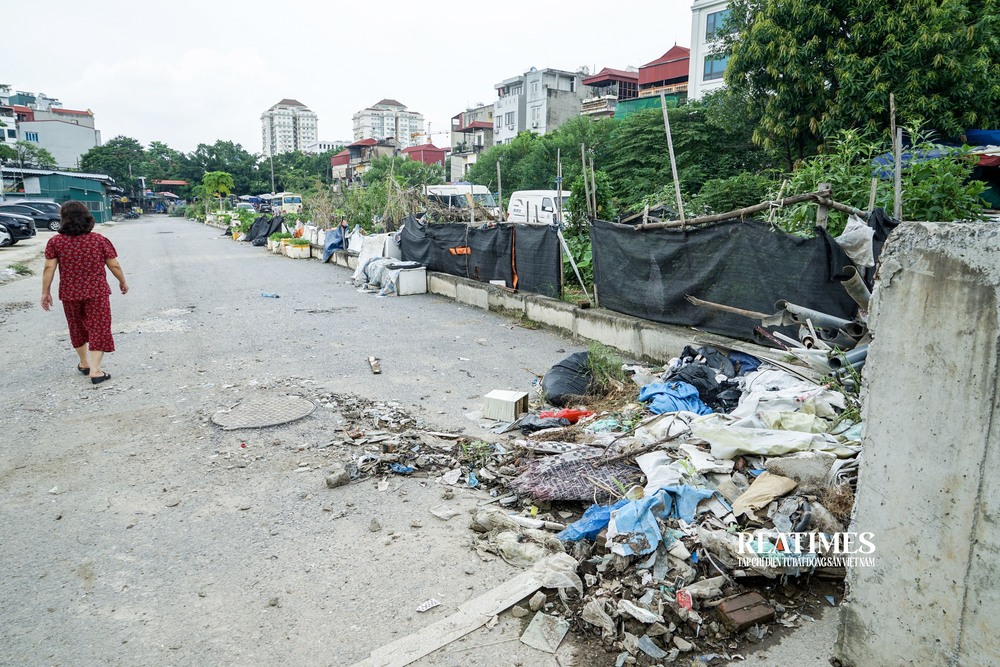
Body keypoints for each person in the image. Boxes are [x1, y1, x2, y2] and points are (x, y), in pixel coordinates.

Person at [41, 201, 129, 385]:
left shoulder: (55, 242)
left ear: (63, 219)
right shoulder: (98, 240)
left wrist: (45, 292)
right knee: (100, 327)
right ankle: (96, 370)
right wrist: (122, 281)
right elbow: (113, 264)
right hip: (97, 292)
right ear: (87, 217)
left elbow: (49, 267)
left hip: (70, 293)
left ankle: (84, 363)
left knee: (76, 326)